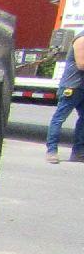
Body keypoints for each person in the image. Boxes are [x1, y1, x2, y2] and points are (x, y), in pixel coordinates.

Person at [46, 28, 84, 163]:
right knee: (59, 118)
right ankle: (51, 151)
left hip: (82, 87)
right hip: (71, 87)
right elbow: (81, 64)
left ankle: (78, 152)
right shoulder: (81, 39)